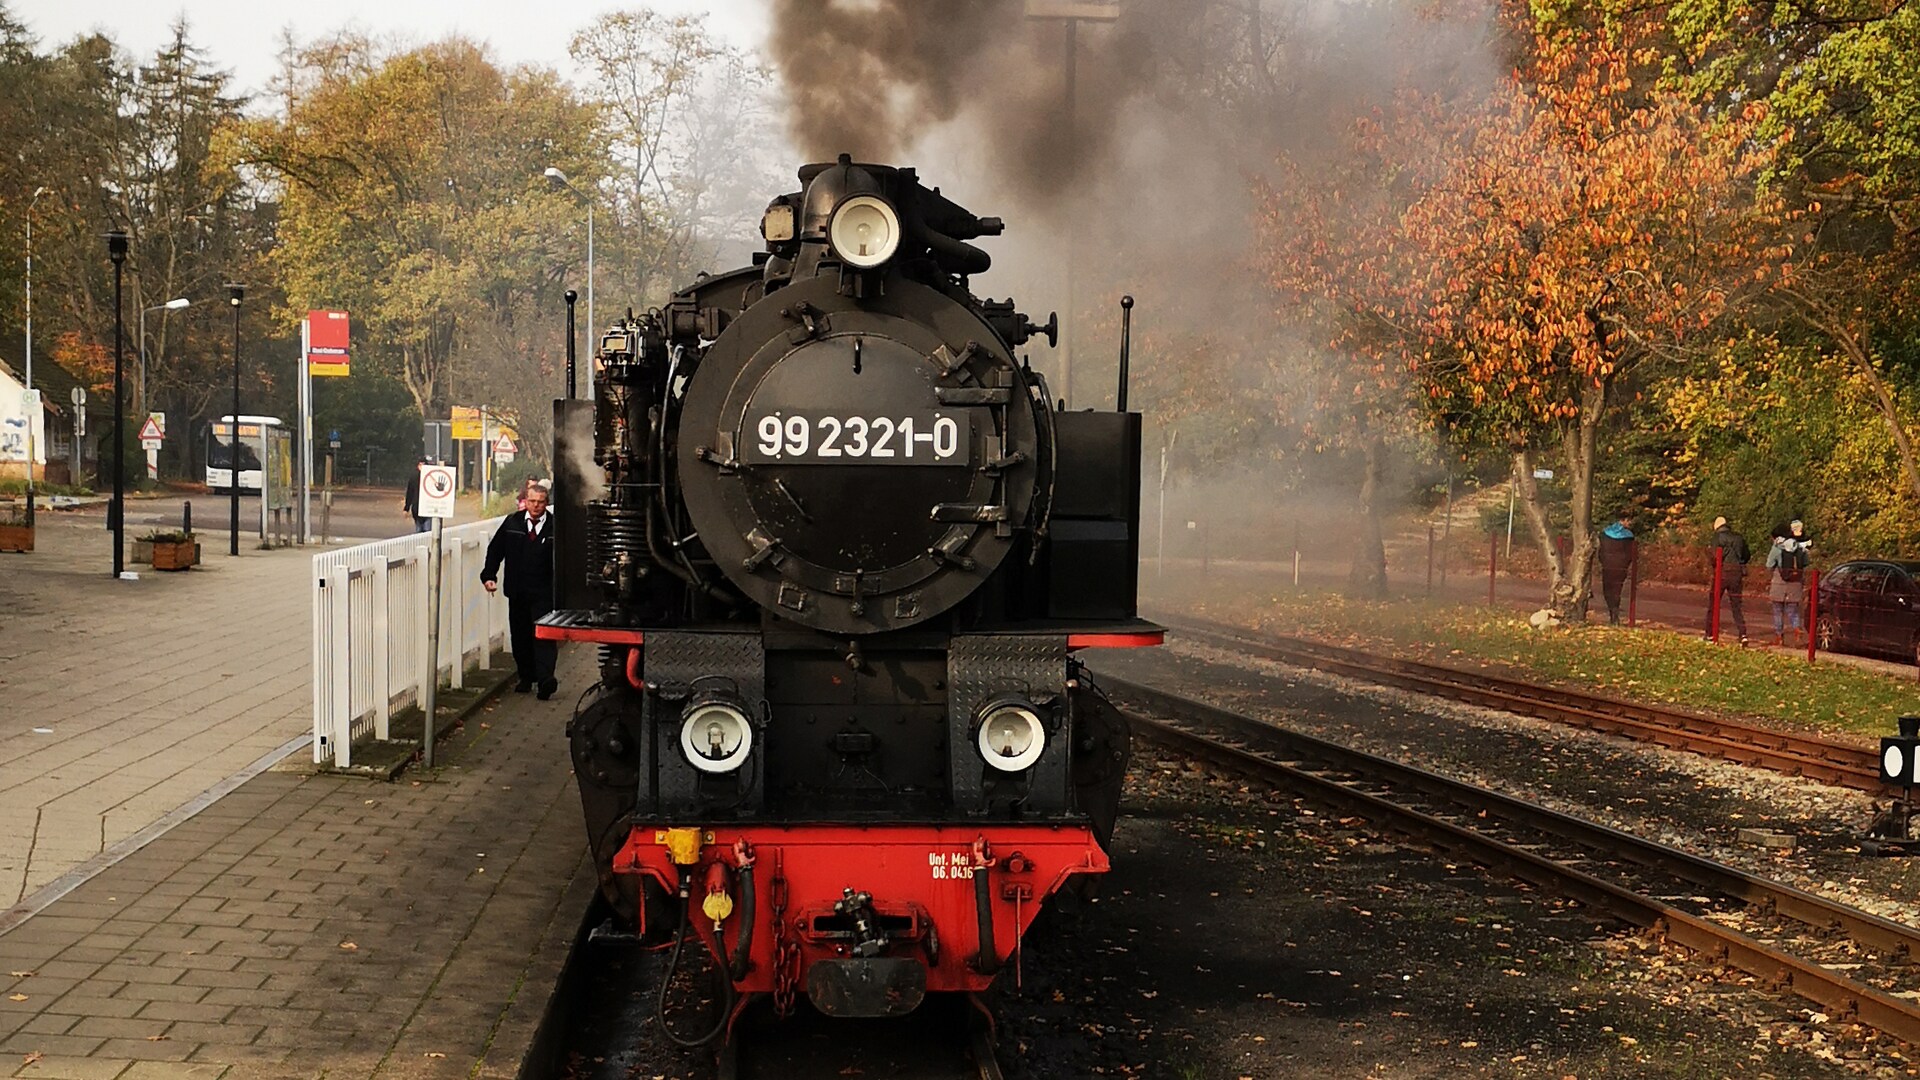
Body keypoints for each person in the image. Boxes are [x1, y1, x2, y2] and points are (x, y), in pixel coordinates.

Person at [481, 482, 558, 699]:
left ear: (546, 503)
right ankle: (526, 677)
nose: (535, 506)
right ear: (525, 501)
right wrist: (489, 576)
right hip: (517, 590)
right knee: (521, 636)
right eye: (532, 501)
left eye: (540, 503)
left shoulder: (555, 527)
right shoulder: (512, 523)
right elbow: (495, 550)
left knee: (543, 635)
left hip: (544, 592)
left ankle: (545, 680)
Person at [1766, 519, 1812, 646]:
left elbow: (1769, 565)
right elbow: (1806, 562)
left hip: (1779, 582)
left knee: (1777, 610)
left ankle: (1779, 637)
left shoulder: (1777, 547)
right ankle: (1797, 629)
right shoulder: (1799, 546)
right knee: (1792, 610)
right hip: (1796, 583)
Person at [1710, 515, 1751, 645]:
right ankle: (1743, 633)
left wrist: (1715, 566)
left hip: (1722, 573)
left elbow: (1714, 556)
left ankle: (1710, 633)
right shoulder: (1739, 537)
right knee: (1736, 605)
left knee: (1713, 603)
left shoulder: (1717, 538)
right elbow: (1746, 554)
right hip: (1737, 573)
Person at [1597, 515, 1636, 625]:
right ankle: (1614, 614)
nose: (1630, 523)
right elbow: (1631, 554)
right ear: (1621, 520)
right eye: (1628, 520)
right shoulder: (1629, 537)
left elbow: (1600, 552)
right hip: (1620, 567)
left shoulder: (1605, 534)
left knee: (1608, 590)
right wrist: (1626, 564)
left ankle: (1612, 612)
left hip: (1607, 566)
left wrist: (1603, 562)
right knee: (1617, 590)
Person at [402, 458, 430, 533]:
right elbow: (410, 493)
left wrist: (406, 508)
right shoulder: (430, 476)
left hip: (418, 507)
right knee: (426, 530)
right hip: (426, 507)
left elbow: (409, 493)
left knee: (420, 529)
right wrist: (406, 508)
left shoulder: (413, 476)